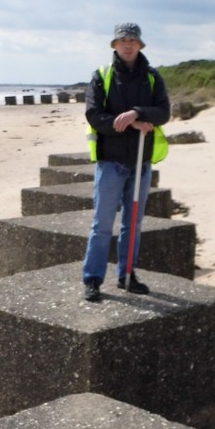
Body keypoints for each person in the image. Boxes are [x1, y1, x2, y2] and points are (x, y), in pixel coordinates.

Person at [81, 23, 170, 301]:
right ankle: (93, 279)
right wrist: (131, 124)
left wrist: (137, 112)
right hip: (111, 163)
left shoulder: (152, 77)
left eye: (132, 40)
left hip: (141, 164)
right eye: (123, 40)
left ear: (140, 45)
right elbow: (94, 116)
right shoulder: (102, 76)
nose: (128, 45)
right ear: (115, 45)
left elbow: (163, 112)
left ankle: (127, 275)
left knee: (133, 224)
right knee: (102, 224)